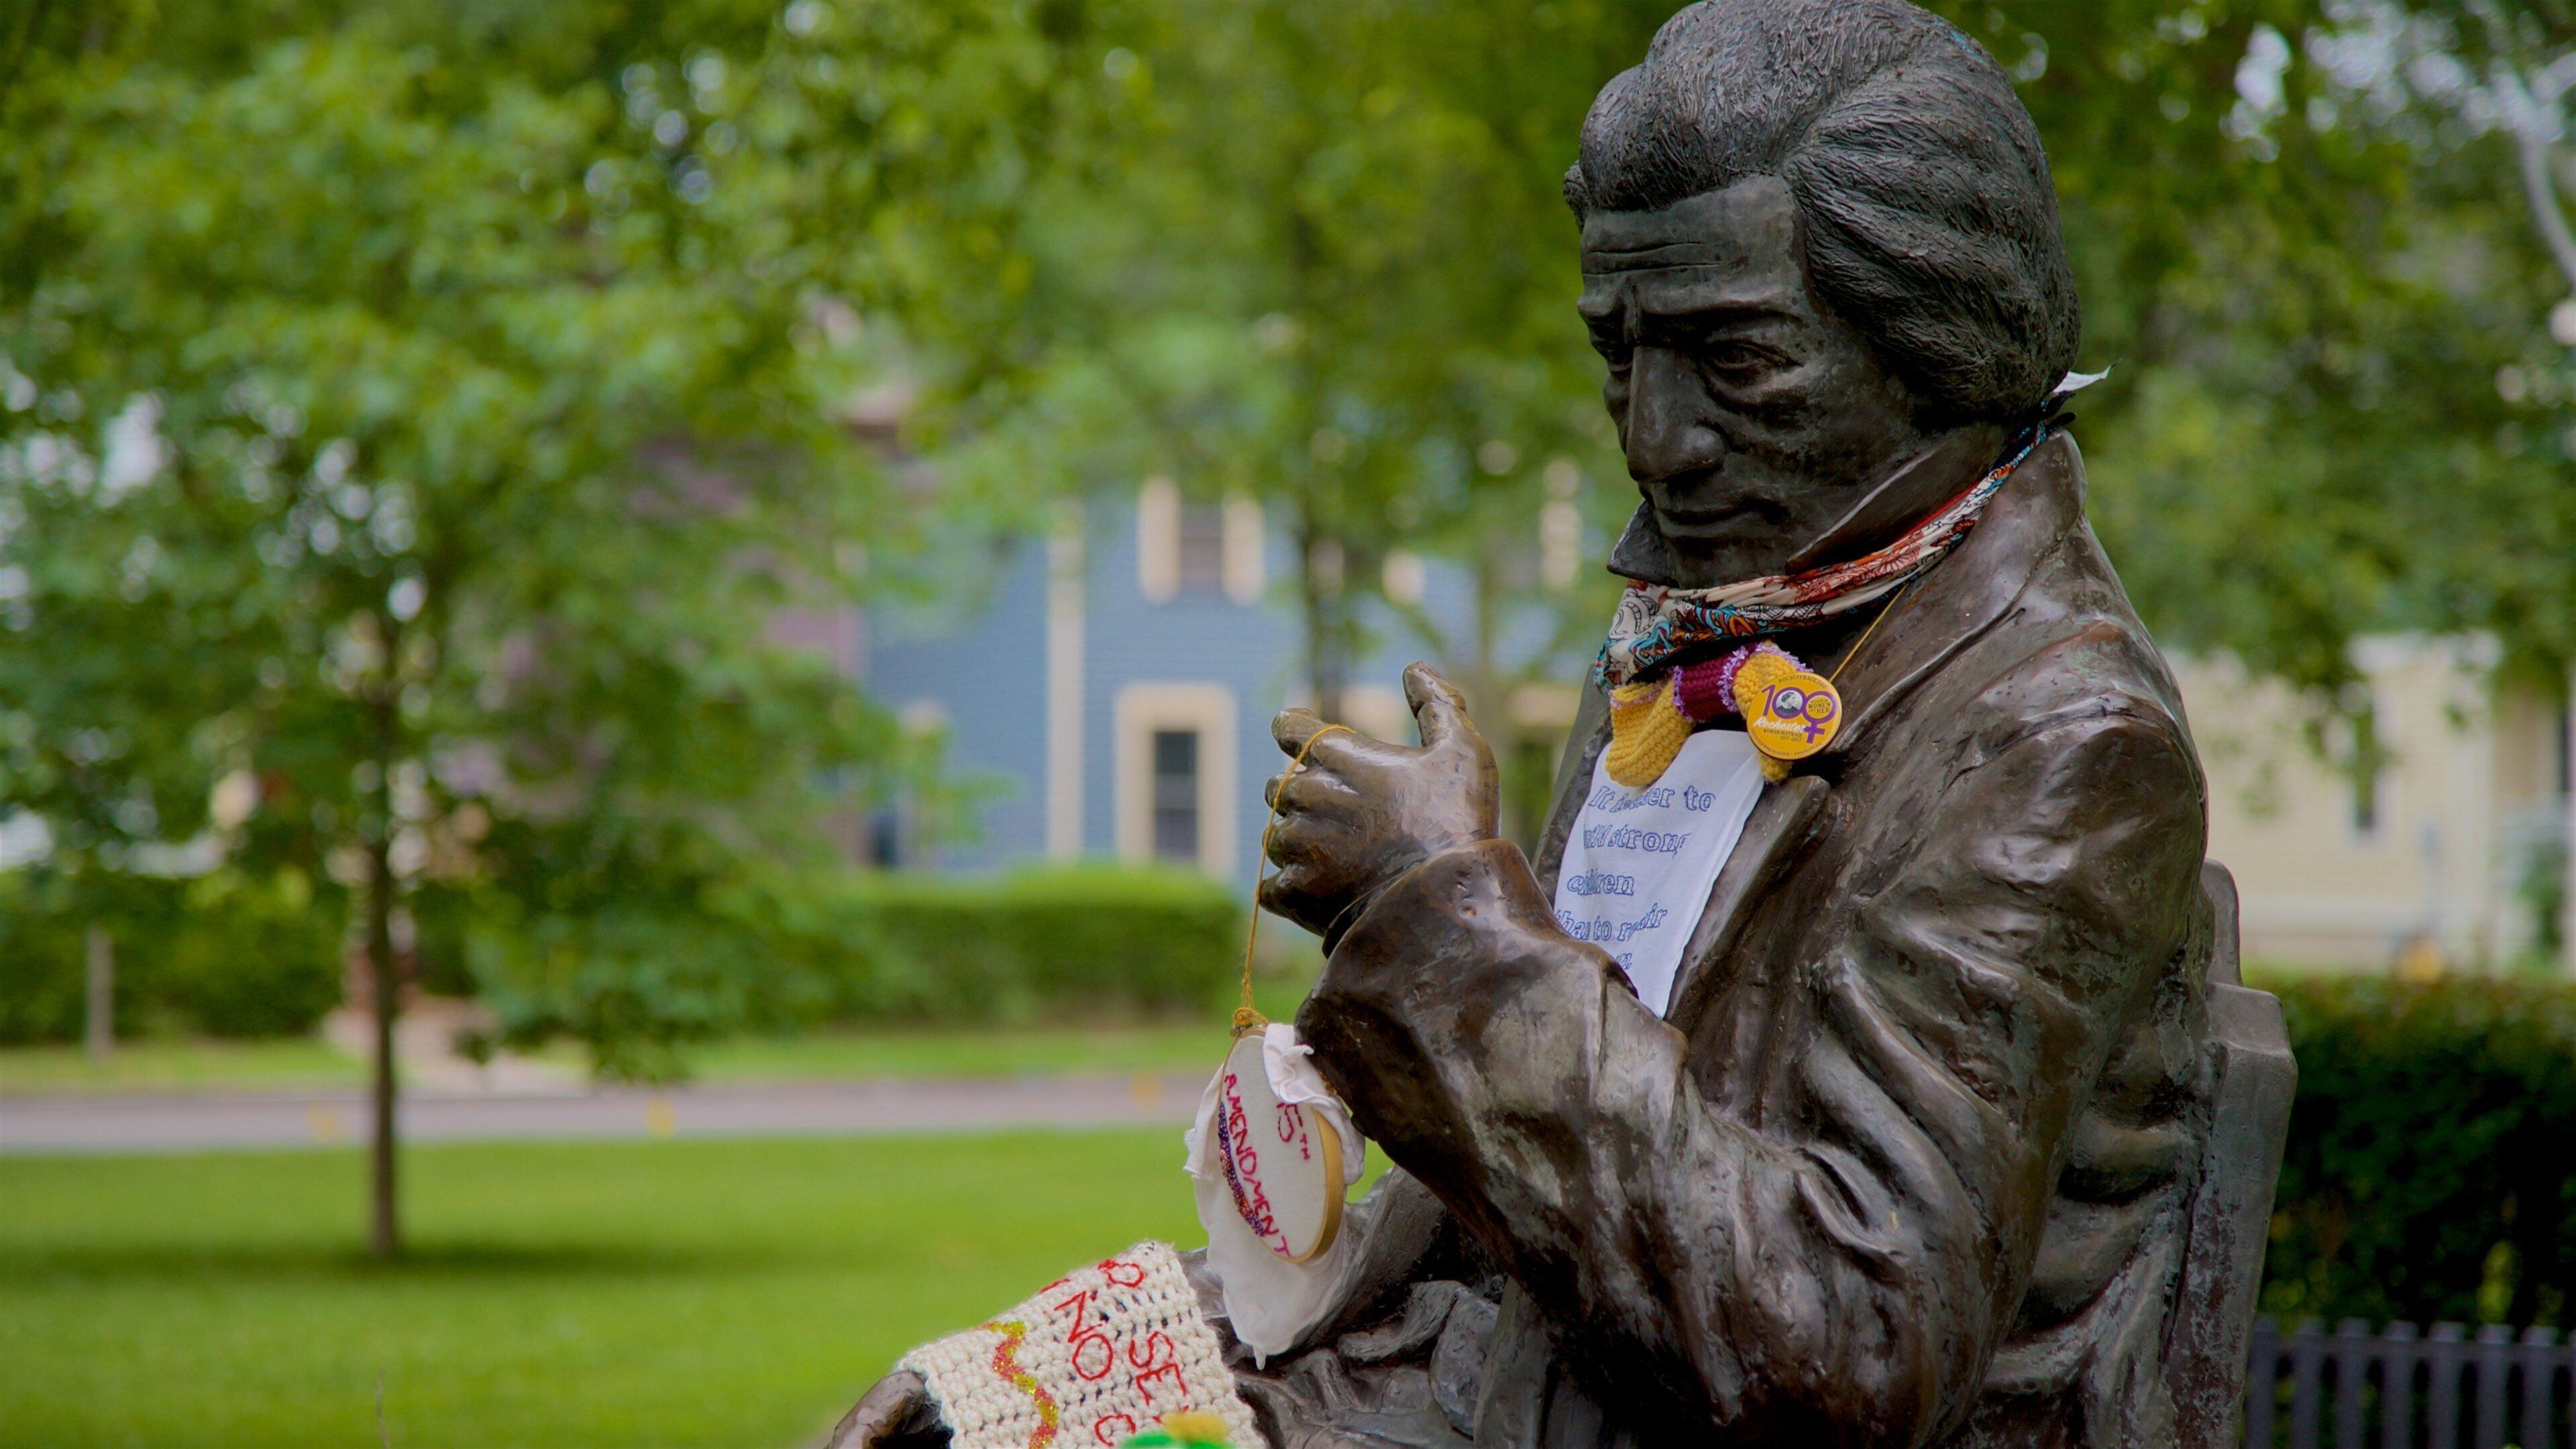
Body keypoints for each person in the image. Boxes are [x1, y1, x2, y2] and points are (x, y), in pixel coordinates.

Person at [838, 2, 2227, 1444]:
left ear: (1938, 347)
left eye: (1731, 357)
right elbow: (1515, 1211)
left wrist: (1437, 916)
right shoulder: (1705, 636)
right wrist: (1131, 1341)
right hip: (1507, 1389)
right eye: (1622, 351)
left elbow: (1843, 1353)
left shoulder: (2061, 740)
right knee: (971, 1416)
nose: (1653, 435)